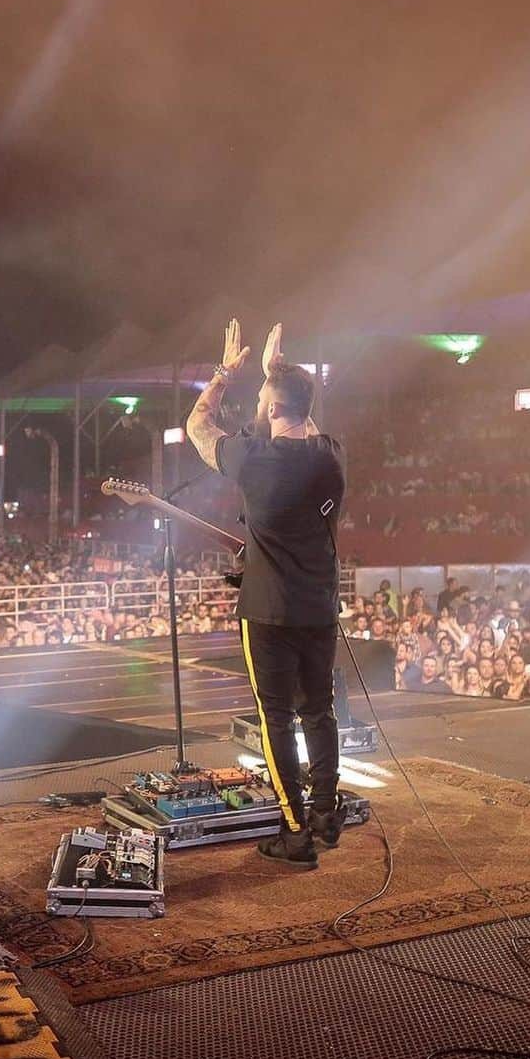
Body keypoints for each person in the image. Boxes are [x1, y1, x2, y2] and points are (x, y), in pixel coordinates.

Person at [187, 319, 345, 871]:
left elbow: (198, 425)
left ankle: (295, 832)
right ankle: (326, 814)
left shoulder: (252, 459)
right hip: (320, 608)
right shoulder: (330, 456)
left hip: (268, 611)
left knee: (277, 717)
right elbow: (305, 418)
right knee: (320, 711)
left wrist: (226, 373)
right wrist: (280, 375)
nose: (258, 405)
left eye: (263, 399)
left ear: (273, 410)